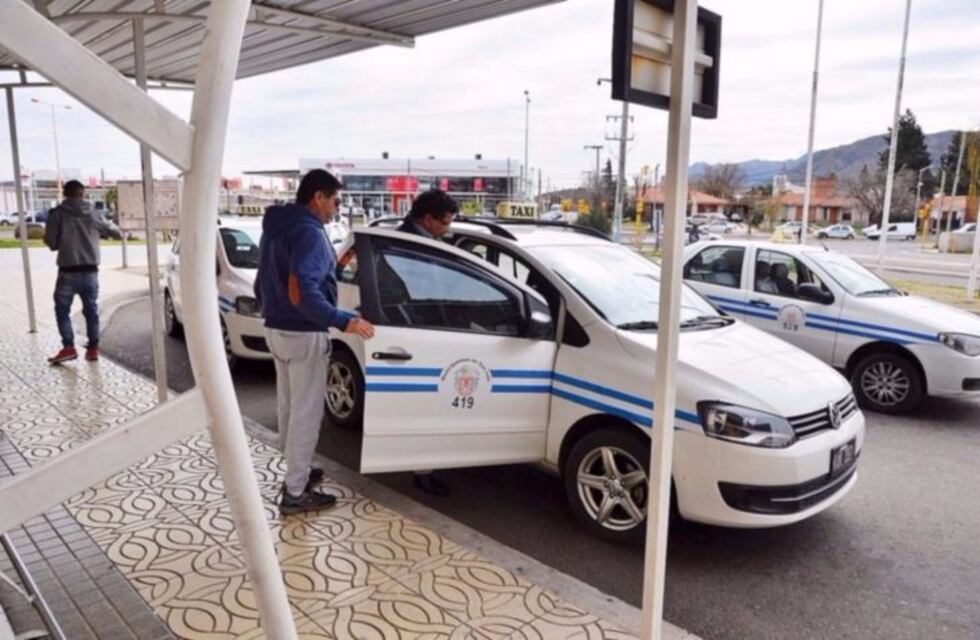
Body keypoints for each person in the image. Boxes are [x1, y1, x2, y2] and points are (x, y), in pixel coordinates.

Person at [256, 169, 375, 515]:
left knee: (289, 409)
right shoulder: (309, 233)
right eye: (335, 200)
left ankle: (299, 470)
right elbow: (301, 290)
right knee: (306, 415)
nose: (337, 208)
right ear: (318, 197)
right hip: (303, 332)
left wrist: (272, 310)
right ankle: (295, 492)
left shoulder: (276, 227)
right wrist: (344, 320)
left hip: (277, 329)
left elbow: (262, 281)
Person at [395, 189, 459, 497]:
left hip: (423, 329)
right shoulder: (409, 244)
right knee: (424, 406)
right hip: (417, 331)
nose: (448, 229)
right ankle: (422, 471)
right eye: (445, 223)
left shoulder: (421, 239)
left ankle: (424, 467)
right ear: (428, 219)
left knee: (427, 405)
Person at [43, 180, 119, 364]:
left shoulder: (57, 214)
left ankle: (68, 347)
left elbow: (52, 244)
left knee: (62, 311)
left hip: (67, 272)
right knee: (91, 310)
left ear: (65, 193)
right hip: (90, 272)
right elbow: (115, 232)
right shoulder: (94, 213)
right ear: (82, 193)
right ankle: (93, 349)